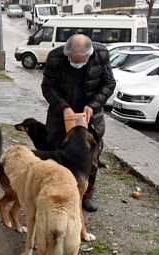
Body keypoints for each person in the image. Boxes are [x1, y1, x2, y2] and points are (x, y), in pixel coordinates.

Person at [41, 34, 116, 212]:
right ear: (68, 52)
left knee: (91, 158)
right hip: (61, 116)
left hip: (89, 116)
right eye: (72, 59)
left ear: (88, 55)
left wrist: (93, 105)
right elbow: (47, 87)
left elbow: (109, 84)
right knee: (57, 152)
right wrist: (63, 107)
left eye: (80, 60)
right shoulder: (55, 57)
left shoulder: (101, 55)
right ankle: (57, 190)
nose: (75, 63)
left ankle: (86, 194)